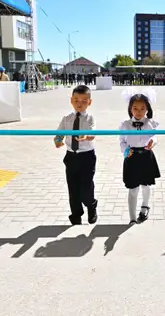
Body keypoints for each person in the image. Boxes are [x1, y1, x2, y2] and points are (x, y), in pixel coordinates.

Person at [54, 85, 98, 225]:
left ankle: (91, 205)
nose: (80, 104)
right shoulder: (66, 119)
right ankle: (76, 215)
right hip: (71, 157)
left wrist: (86, 136)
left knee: (86, 187)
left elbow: (92, 134)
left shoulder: (90, 119)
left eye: (84, 101)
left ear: (89, 102)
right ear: (71, 101)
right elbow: (59, 135)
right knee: (73, 188)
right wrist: (57, 141)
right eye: (76, 100)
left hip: (87, 157)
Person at [119, 88, 160, 224]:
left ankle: (145, 205)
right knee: (133, 189)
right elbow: (122, 141)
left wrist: (152, 142)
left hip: (146, 157)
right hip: (131, 158)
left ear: (147, 109)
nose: (139, 111)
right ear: (130, 109)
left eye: (142, 108)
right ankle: (132, 218)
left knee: (146, 185)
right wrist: (125, 151)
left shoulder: (151, 123)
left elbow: (155, 136)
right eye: (135, 108)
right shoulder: (125, 125)